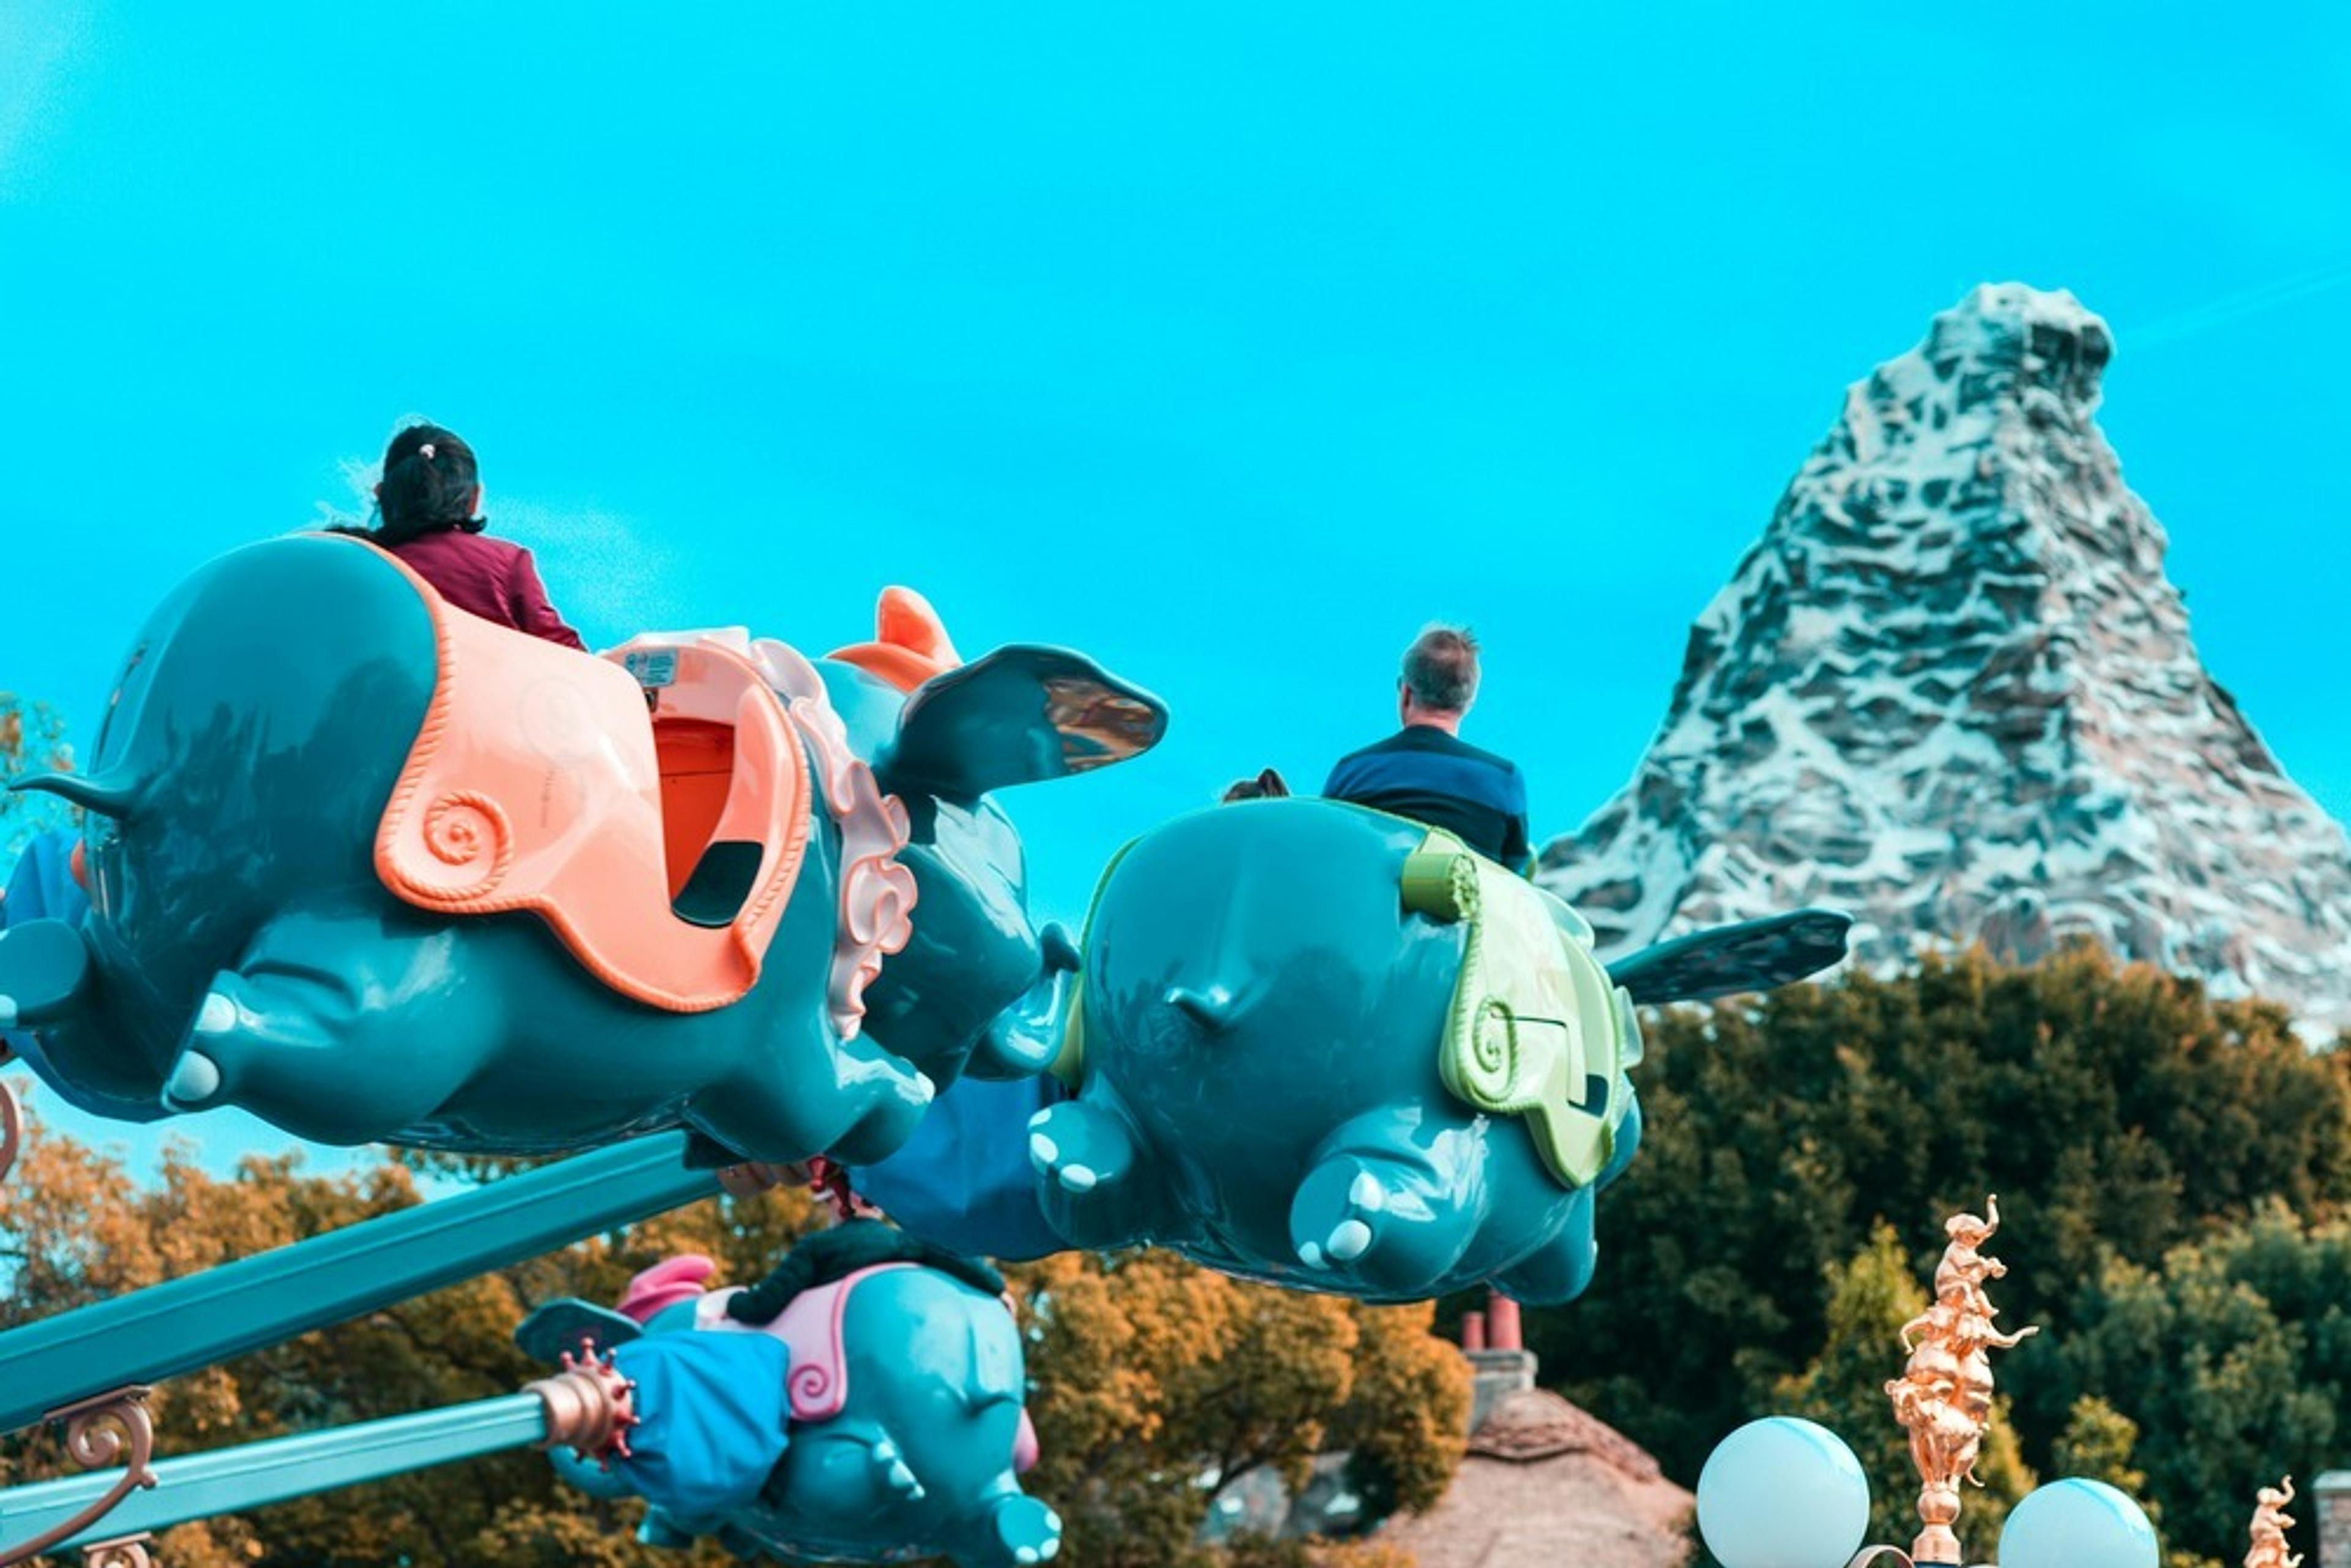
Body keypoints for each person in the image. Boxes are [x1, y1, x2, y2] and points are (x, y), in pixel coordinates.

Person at [347, 423, 586, 650]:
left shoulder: (357, 563)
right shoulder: (509, 562)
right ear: (474, 499)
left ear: (381, 494)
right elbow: (564, 650)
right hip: (485, 691)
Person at [1324, 625, 1532, 869]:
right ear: (1469, 700)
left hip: (1365, 906)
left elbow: (1329, 855)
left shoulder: (1352, 771)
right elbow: (1515, 871)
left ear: (1406, 692)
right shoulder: (1503, 779)